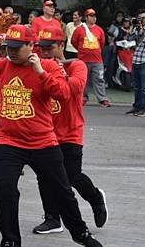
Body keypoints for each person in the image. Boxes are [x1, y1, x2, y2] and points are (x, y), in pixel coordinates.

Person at [0, 24, 103, 247]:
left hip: (43, 141)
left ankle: (81, 234)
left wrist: (41, 72)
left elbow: (65, 94)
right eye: (8, 47)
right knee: (5, 189)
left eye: (17, 48)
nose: (11, 52)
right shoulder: (0, 67)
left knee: (62, 191)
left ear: (31, 46)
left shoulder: (48, 65)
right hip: (9, 141)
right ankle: (10, 240)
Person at [32, 25, 108, 234]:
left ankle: (95, 198)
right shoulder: (38, 66)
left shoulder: (77, 66)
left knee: (72, 176)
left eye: (49, 48)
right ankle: (52, 218)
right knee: (45, 175)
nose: (45, 53)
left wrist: (56, 71)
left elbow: (71, 90)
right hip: (47, 131)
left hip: (71, 131)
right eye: (42, 49)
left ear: (61, 45)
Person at [71, 9, 111, 107]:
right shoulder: (79, 29)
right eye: (91, 16)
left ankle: (102, 99)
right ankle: (83, 97)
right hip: (83, 59)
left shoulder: (99, 30)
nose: (93, 18)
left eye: (94, 16)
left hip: (97, 60)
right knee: (83, 80)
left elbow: (101, 43)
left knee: (99, 79)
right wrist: (82, 50)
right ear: (86, 17)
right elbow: (74, 41)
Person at [126, 9, 145, 117]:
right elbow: (129, 38)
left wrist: (140, 28)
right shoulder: (137, 28)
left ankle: (144, 108)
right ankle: (136, 106)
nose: (141, 20)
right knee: (137, 85)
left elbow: (143, 40)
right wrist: (133, 27)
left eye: (143, 18)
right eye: (139, 18)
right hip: (136, 59)